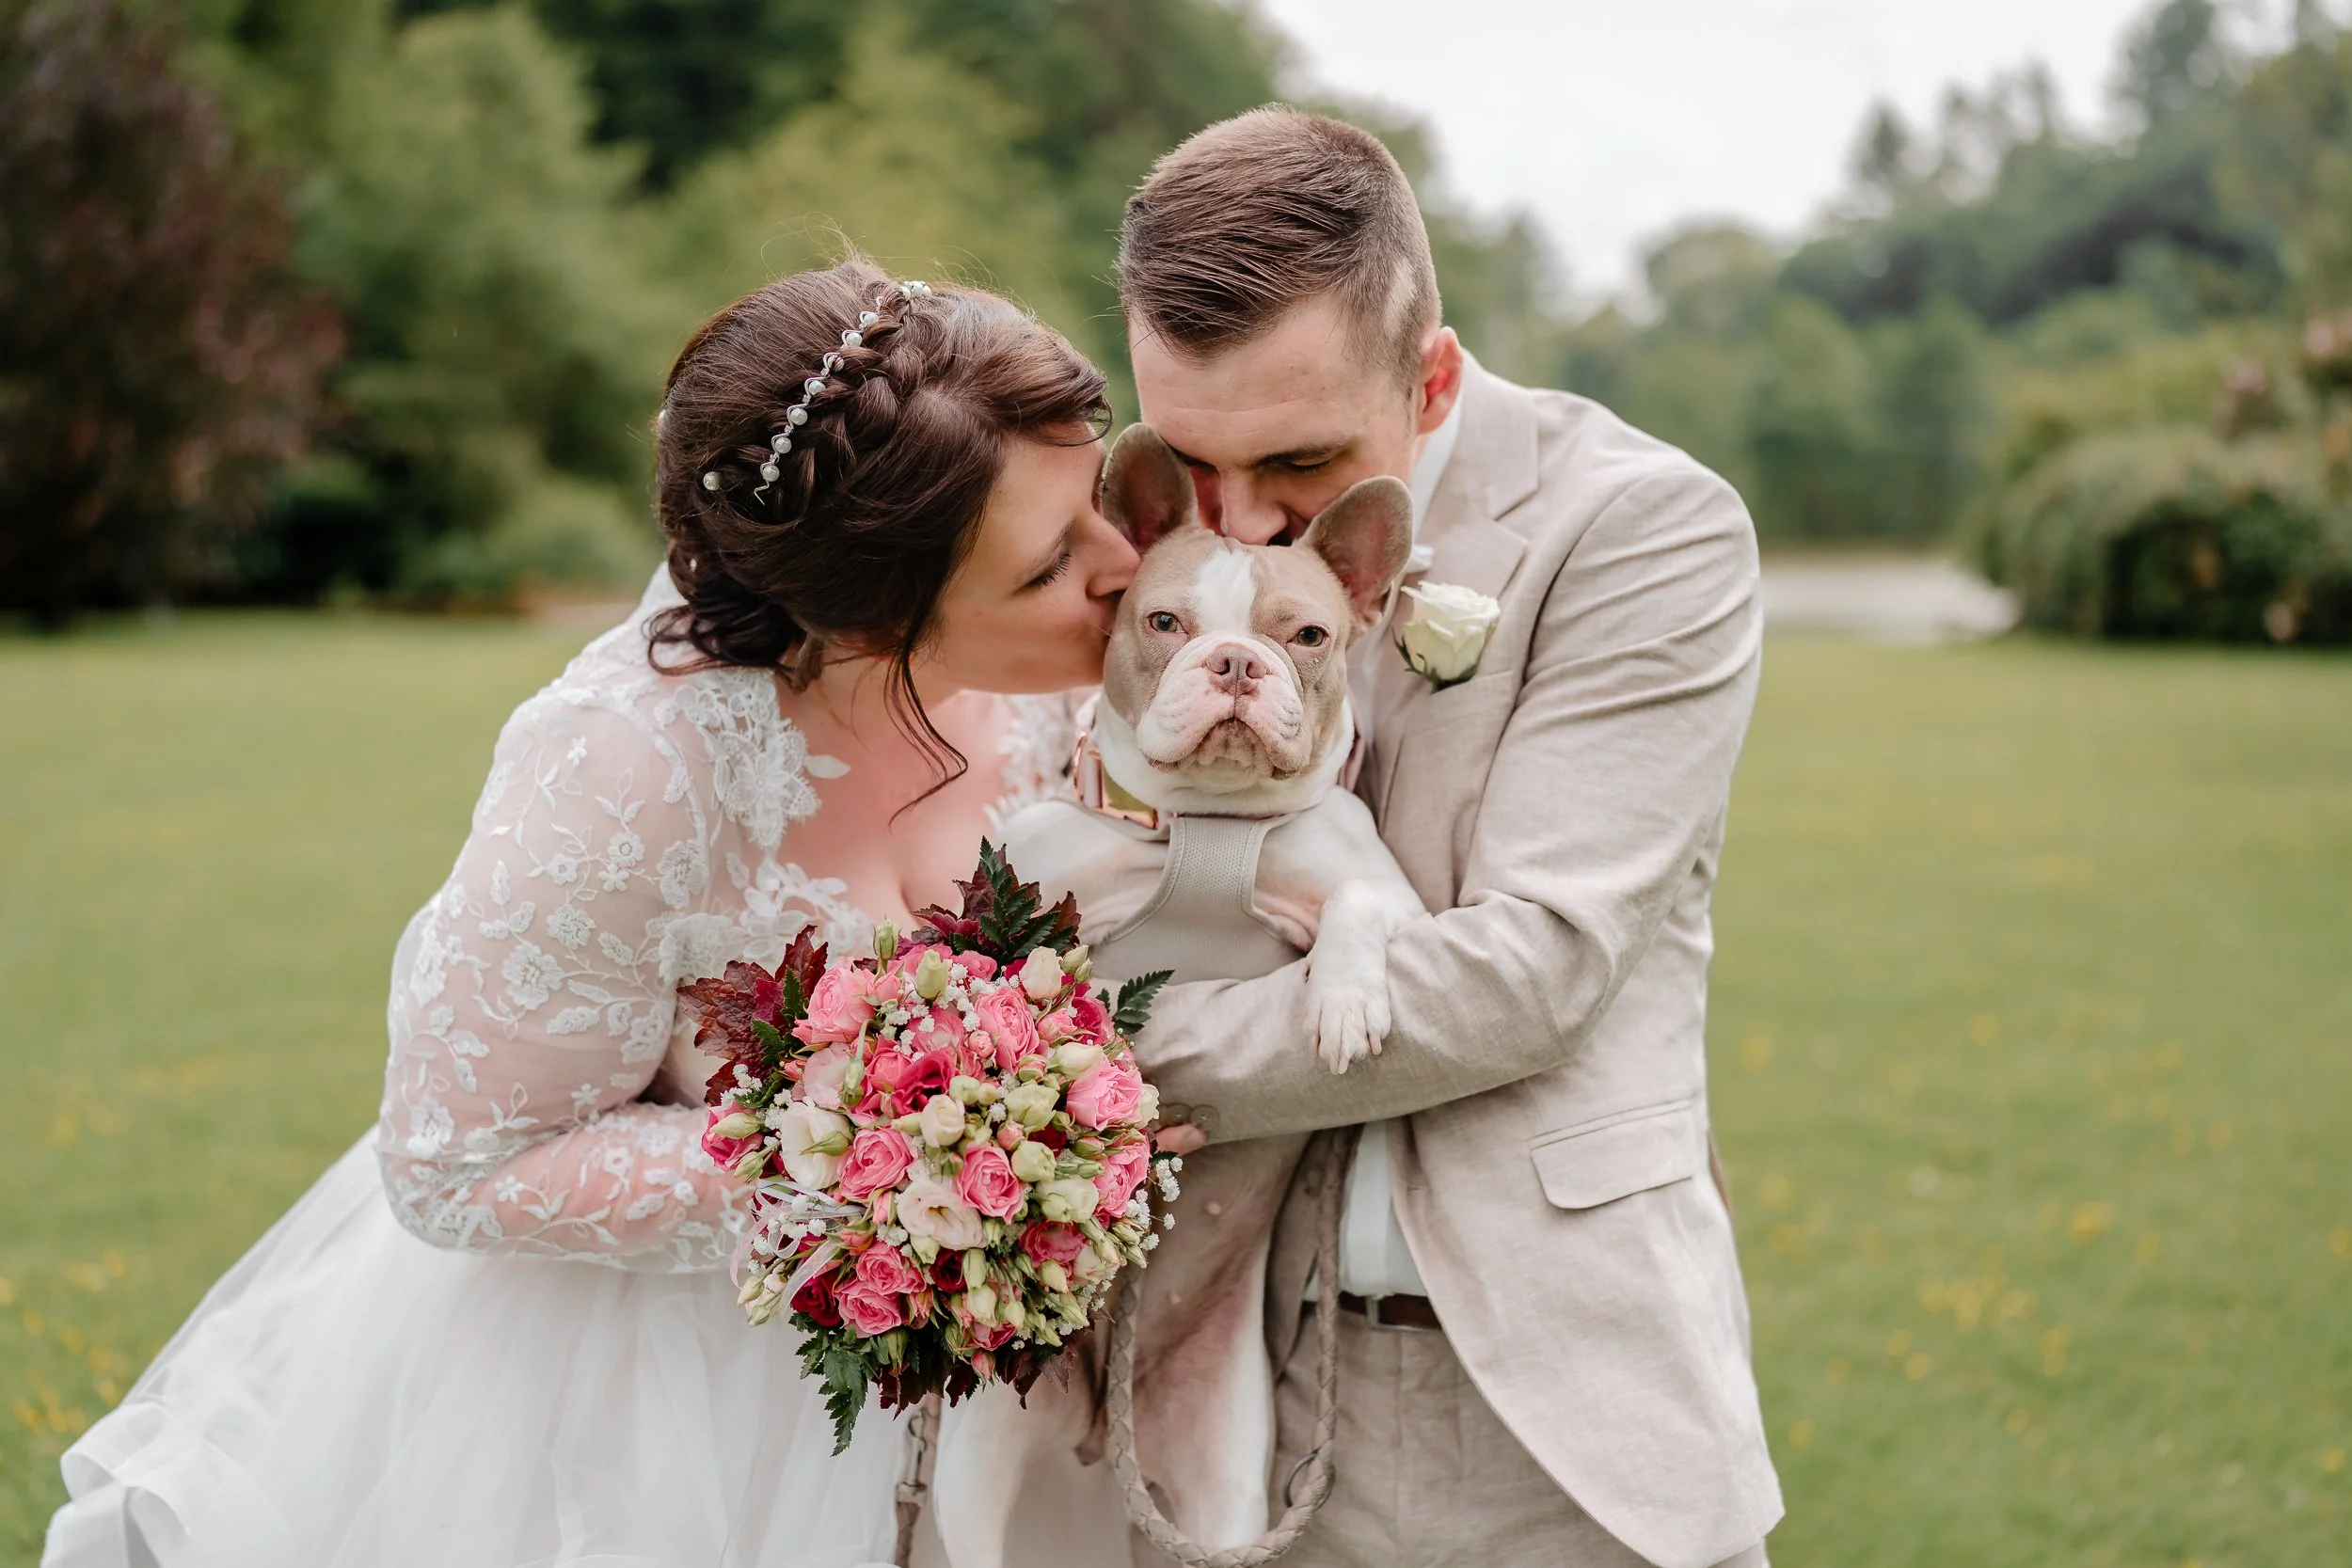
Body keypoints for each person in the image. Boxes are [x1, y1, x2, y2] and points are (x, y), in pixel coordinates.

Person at [43, 261, 1139, 1568]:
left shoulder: (1082, 691)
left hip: (1005, 1398)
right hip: (667, 1417)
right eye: (1049, 564)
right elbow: (454, 1161)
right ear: (872, 618)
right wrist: (855, 1168)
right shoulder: (627, 768)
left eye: (1101, 500)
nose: (1125, 565)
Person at [1120, 108, 1783, 1568]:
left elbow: (1531, 966)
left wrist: (1079, 1067)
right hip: (1211, 1366)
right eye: (1191, 459)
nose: (1237, 525)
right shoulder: (1151, 558)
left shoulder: (1639, 530)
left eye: (1297, 460)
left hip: (1552, 1401)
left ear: (1430, 376)